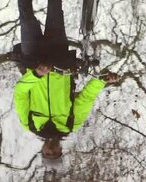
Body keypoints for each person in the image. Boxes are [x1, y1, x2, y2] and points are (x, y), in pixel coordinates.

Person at [13, 0, 119, 160]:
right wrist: (102, 79)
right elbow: (86, 98)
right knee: (55, 10)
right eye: (55, 153)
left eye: (47, 153)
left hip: (33, 59)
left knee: (26, 18)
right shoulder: (71, 124)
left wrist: (37, 74)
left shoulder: (30, 124)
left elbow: (20, 92)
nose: (51, 150)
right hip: (59, 58)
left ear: (42, 150)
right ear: (61, 150)